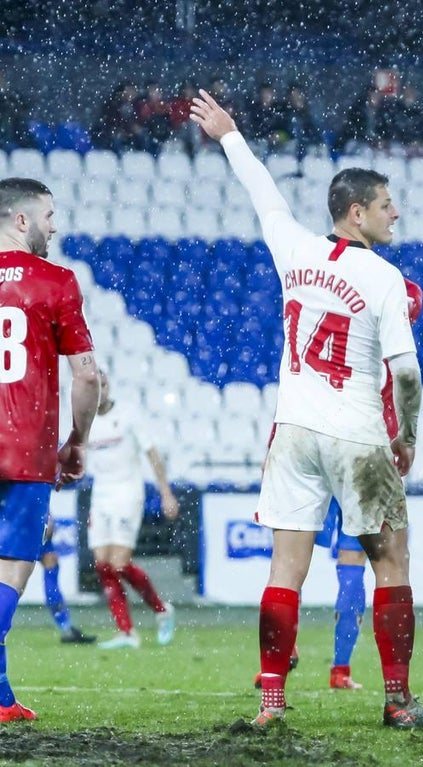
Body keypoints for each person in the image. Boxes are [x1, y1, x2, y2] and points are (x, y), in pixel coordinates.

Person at [190, 89, 423, 730]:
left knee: (287, 570)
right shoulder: (385, 278)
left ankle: (271, 703)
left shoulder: (295, 249)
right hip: (358, 434)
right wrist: (410, 435)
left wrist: (229, 134)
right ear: (356, 211)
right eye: (387, 205)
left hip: (295, 432)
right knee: (390, 561)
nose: (397, 213)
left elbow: (263, 193)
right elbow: (408, 371)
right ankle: (397, 701)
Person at [0, 176, 101, 721]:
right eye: (48, 215)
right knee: (15, 563)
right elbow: (86, 378)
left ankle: (2, 699)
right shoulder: (55, 281)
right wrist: (77, 441)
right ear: (21, 220)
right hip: (23, 449)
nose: (54, 225)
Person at [315, 278, 423, 691]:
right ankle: (346, 671)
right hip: (370, 458)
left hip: (324, 448)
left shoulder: (344, 337)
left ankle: (279, 659)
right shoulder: (396, 355)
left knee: (292, 561)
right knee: (375, 565)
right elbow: (402, 399)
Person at [87, 369, 179, 650]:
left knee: (119, 564)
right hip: (100, 494)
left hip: (127, 493)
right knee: (103, 565)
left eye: (104, 384)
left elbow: (152, 453)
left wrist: (166, 493)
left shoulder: (129, 414)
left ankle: (162, 610)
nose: (101, 390)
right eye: (96, 385)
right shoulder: (84, 419)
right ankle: (127, 632)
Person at [40, 516, 97, 644]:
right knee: (49, 566)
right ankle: (65, 627)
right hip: (26, 519)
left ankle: (66, 627)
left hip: (18, 520)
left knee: (50, 564)